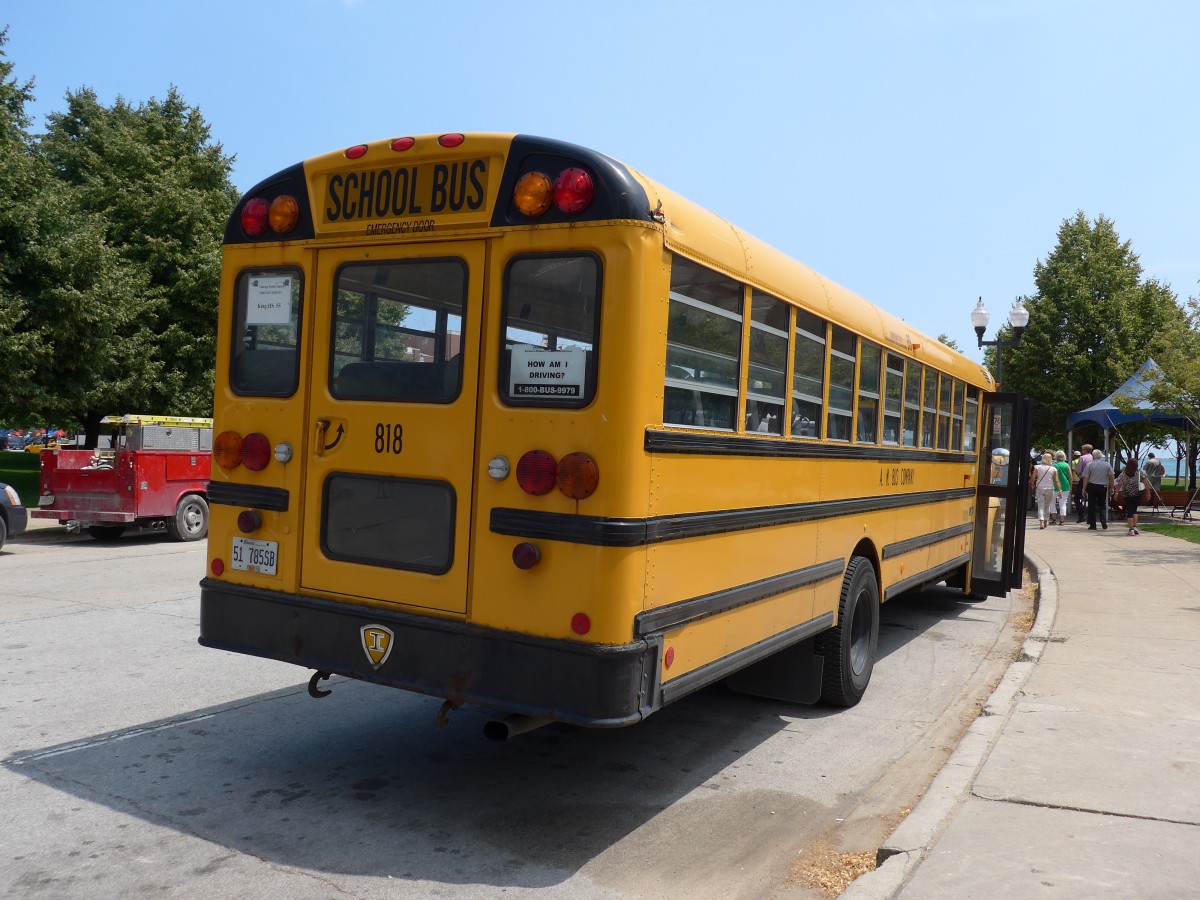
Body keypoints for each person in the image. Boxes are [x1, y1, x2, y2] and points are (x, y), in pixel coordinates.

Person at [1082, 448, 1116, 530]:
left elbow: (1086, 477)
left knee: (1091, 505)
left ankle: (1093, 525)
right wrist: (1111, 487)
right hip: (1103, 486)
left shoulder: (1089, 465)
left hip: (1092, 486)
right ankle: (1103, 520)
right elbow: (1111, 476)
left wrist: (1083, 488)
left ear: (1093, 456)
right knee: (1102, 505)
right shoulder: (1106, 464)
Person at [1115, 458, 1145, 535]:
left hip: (1127, 494)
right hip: (1137, 493)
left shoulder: (1123, 474)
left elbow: (1119, 483)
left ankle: (1131, 529)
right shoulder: (1138, 473)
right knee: (1134, 510)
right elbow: (1146, 483)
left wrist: (1116, 493)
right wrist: (1148, 492)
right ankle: (1135, 527)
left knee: (1129, 510)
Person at [1029, 452, 1058, 529]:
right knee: (1047, 505)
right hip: (1050, 488)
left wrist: (1032, 485)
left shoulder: (1037, 467)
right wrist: (1060, 489)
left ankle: (1041, 522)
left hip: (1040, 488)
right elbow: (1056, 480)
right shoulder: (1053, 469)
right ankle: (1046, 521)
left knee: (1041, 506)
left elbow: (1033, 478)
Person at [1074, 444, 1093, 523]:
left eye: (1082, 450)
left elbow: (1078, 470)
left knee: (1077, 498)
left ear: (1085, 450)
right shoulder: (1093, 457)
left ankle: (1081, 515)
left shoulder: (1082, 458)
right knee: (1091, 499)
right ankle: (1090, 517)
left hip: (1083, 479)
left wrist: (1079, 475)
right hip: (1093, 480)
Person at [1052, 450, 1072, 525]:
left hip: (1054, 485)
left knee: (1052, 502)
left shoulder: (1053, 465)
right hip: (1065, 485)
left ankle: (1054, 519)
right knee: (1063, 503)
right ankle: (1062, 520)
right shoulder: (1067, 465)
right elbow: (1070, 477)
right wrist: (1071, 485)